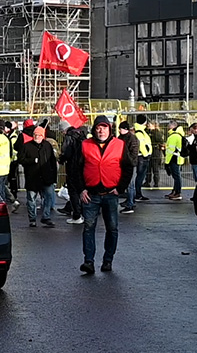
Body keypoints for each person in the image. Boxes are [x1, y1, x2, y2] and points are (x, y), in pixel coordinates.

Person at [68, 115, 132, 275]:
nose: (101, 130)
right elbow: (76, 169)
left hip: (111, 193)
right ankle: (88, 261)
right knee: (89, 227)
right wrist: (81, 189)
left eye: (104, 127)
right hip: (91, 194)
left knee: (112, 228)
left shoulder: (119, 145)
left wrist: (120, 188)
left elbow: (128, 167)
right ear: (94, 129)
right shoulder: (85, 145)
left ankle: (108, 260)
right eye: (98, 127)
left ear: (109, 129)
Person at [19, 124, 58, 227]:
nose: (37, 137)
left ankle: (46, 217)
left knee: (48, 198)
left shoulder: (47, 146)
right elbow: (21, 159)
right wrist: (32, 161)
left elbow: (52, 162)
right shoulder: (26, 146)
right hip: (32, 178)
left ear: (43, 136)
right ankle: (32, 219)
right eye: (35, 134)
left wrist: (54, 177)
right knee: (31, 199)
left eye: (39, 135)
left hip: (46, 177)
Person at [59, 122, 88, 223]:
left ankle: (77, 215)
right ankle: (85, 213)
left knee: (73, 191)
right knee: (82, 189)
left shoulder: (69, 137)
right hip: (83, 166)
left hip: (72, 166)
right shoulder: (82, 135)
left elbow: (66, 152)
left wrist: (61, 159)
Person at [117, 121, 139, 214]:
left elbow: (133, 152)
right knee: (130, 185)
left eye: (121, 128)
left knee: (130, 185)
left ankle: (130, 204)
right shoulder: (122, 137)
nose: (119, 130)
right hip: (125, 163)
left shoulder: (131, 138)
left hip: (129, 164)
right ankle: (131, 201)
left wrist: (128, 160)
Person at [133, 116, 153, 202]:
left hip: (142, 156)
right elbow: (141, 145)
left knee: (140, 176)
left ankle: (138, 194)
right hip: (142, 157)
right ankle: (138, 194)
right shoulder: (140, 133)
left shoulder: (140, 131)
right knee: (140, 176)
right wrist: (146, 154)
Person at [164, 122, 186, 200]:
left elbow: (170, 150)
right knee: (176, 176)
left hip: (174, 158)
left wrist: (166, 162)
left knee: (176, 177)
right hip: (178, 158)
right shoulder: (179, 134)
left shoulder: (173, 136)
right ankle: (175, 191)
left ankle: (177, 193)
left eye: (168, 127)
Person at [146, 121, 164, 189]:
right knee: (148, 167)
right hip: (150, 150)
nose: (148, 125)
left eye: (150, 124)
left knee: (155, 167)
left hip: (155, 151)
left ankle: (156, 182)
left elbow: (160, 141)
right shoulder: (148, 132)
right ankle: (147, 181)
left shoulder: (157, 133)